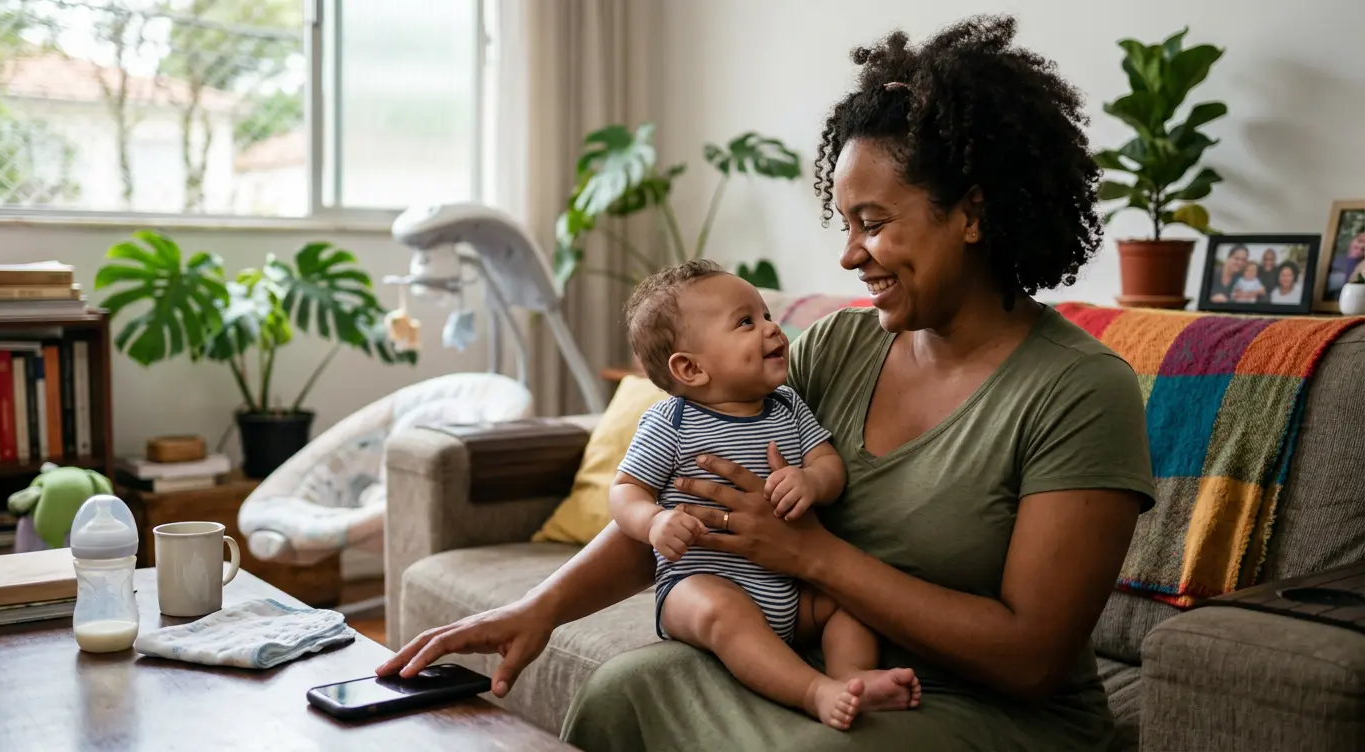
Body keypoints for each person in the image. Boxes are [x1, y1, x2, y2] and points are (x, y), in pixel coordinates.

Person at [378, 15, 1155, 751]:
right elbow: (693, 506)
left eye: (874, 223)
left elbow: (1031, 658)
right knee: (624, 694)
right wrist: (536, 609)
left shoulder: (1079, 392)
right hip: (824, 663)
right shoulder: (837, 349)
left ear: (973, 214)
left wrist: (812, 556)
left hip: (1001, 713)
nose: (851, 256)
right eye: (844, 224)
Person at [609, 259, 920, 730]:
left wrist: (811, 482)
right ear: (690, 368)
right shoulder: (671, 423)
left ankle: (852, 677)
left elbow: (826, 463)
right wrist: (654, 522)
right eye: (746, 322)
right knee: (720, 609)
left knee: (851, 601)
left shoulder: (787, 406)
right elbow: (626, 490)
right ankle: (815, 691)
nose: (772, 330)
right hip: (700, 588)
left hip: (791, 594)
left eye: (766, 315)